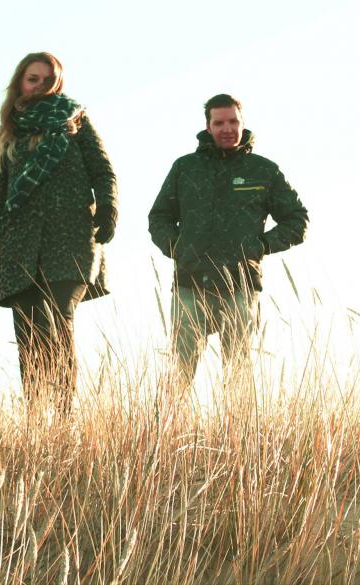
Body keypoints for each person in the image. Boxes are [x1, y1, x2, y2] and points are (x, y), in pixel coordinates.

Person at [0, 52, 118, 411]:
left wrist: (109, 207)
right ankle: (36, 417)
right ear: (20, 82)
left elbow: (103, 170)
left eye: (48, 81)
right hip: (19, 246)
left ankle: (63, 417)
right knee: (29, 334)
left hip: (70, 239)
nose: (40, 86)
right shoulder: (5, 134)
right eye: (33, 79)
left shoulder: (75, 121)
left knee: (59, 322)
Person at [148, 94, 309, 393]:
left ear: (242, 123)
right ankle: (168, 423)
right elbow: (159, 217)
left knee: (238, 375)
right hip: (190, 284)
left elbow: (297, 220)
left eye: (233, 121)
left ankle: (238, 426)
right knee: (179, 372)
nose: (227, 129)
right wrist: (178, 249)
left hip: (240, 285)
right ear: (208, 127)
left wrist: (260, 247)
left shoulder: (263, 170)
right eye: (219, 123)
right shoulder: (185, 168)